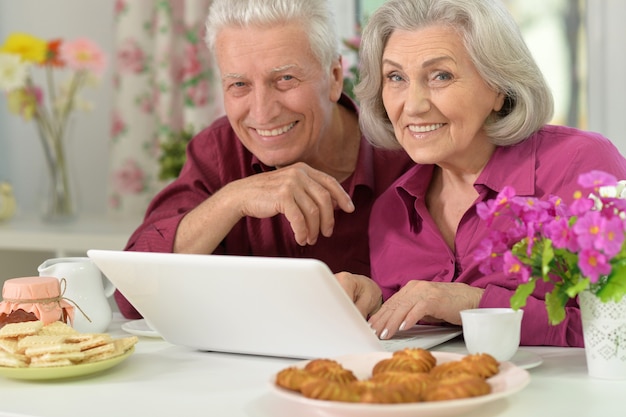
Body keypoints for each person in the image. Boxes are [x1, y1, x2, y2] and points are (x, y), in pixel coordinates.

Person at [336, 0, 626, 347]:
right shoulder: (390, 213)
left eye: (440, 75)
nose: (412, 105)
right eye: (395, 77)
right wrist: (375, 300)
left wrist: (474, 304)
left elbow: (616, 330)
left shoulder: (580, 165)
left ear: (499, 87)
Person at [115, 0, 414, 318]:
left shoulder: (406, 154)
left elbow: (458, 286)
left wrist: (383, 296)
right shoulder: (218, 150)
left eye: (285, 79)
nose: (262, 112)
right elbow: (131, 296)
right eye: (239, 85)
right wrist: (232, 200)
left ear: (335, 77)